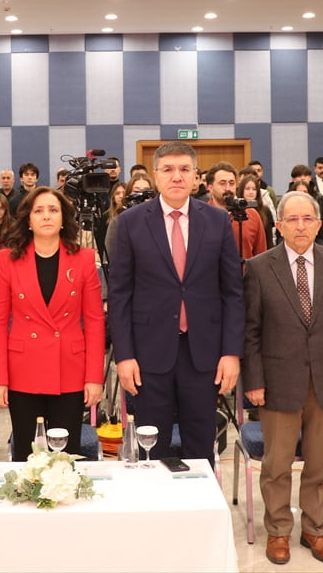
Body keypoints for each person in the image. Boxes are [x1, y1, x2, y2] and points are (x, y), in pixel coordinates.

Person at [243, 190, 323, 565]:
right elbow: (251, 331)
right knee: (277, 464)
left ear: (318, 223)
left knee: (320, 463)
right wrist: (254, 381)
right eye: (291, 219)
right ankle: (278, 530)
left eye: (306, 218)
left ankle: (314, 528)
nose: (299, 226)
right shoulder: (260, 267)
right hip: (278, 380)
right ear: (278, 226)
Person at [108, 141, 244, 463]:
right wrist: (124, 356)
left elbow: (232, 293)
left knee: (201, 449)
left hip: (204, 355)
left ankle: (199, 512)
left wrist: (231, 353)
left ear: (197, 177)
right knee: (151, 449)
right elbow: (120, 296)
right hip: (148, 355)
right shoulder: (130, 223)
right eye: (168, 169)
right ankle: (154, 513)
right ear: (156, 176)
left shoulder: (217, 221)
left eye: (184, 169)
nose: (176, 176)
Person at [0, 188, 104, 458]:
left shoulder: (84, 259)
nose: (46, 216)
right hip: (22, 371)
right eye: (39, 211)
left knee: (66, 455)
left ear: (64, 218)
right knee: (28, 456)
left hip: (70, 371)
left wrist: (94, 377)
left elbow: (96, 322)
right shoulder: (8, 260)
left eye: (53, 210)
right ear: (28, 220)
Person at [206, 163, 267, 260]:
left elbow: (261, 255)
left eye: (231, 183)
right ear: (210, 187)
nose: (228, 188)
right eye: (222, 183)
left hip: (245, 273)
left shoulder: (251, 215)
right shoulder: (201, 216)